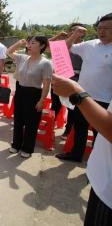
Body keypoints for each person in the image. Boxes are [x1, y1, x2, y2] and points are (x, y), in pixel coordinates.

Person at [52, 74, 112, 226]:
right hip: (101, 181)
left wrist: (78, 95)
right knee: (80, 130)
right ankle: (76, 154)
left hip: (108, 194)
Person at [56, 13, 112, 163]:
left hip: (105, 100)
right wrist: (75, 34)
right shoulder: (90, 45)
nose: (102, 31)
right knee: (79, 128)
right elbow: (63, 49)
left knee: (100, 135)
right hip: (82, 96)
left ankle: (96, 162)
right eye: (99, 28)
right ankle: (76, 154)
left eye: (106, 28)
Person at [6, 36, 53, 158]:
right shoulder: (23, 58)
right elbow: (8, 52)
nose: (29, 45)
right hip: (20, 91)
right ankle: (16, 144)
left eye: (33, 43)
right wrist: (18, 43)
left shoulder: (46, 63)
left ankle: (27, 147)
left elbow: (46, 83)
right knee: (18, 120)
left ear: (42, 46)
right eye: (29, 43)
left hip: (34, 93)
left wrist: (42, 100)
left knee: (31, 123)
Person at [49, 23, 85, 138]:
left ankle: (68, 130)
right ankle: (50, 125)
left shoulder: (86, 47)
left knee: (72, 107)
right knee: (55, 105)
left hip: (75, 80)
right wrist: (58, 35)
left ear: (83, 33)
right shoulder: (62, 45)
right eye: (72, 30)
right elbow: (47, 44)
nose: (74, 33)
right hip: (58, 79)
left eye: (78, 31)